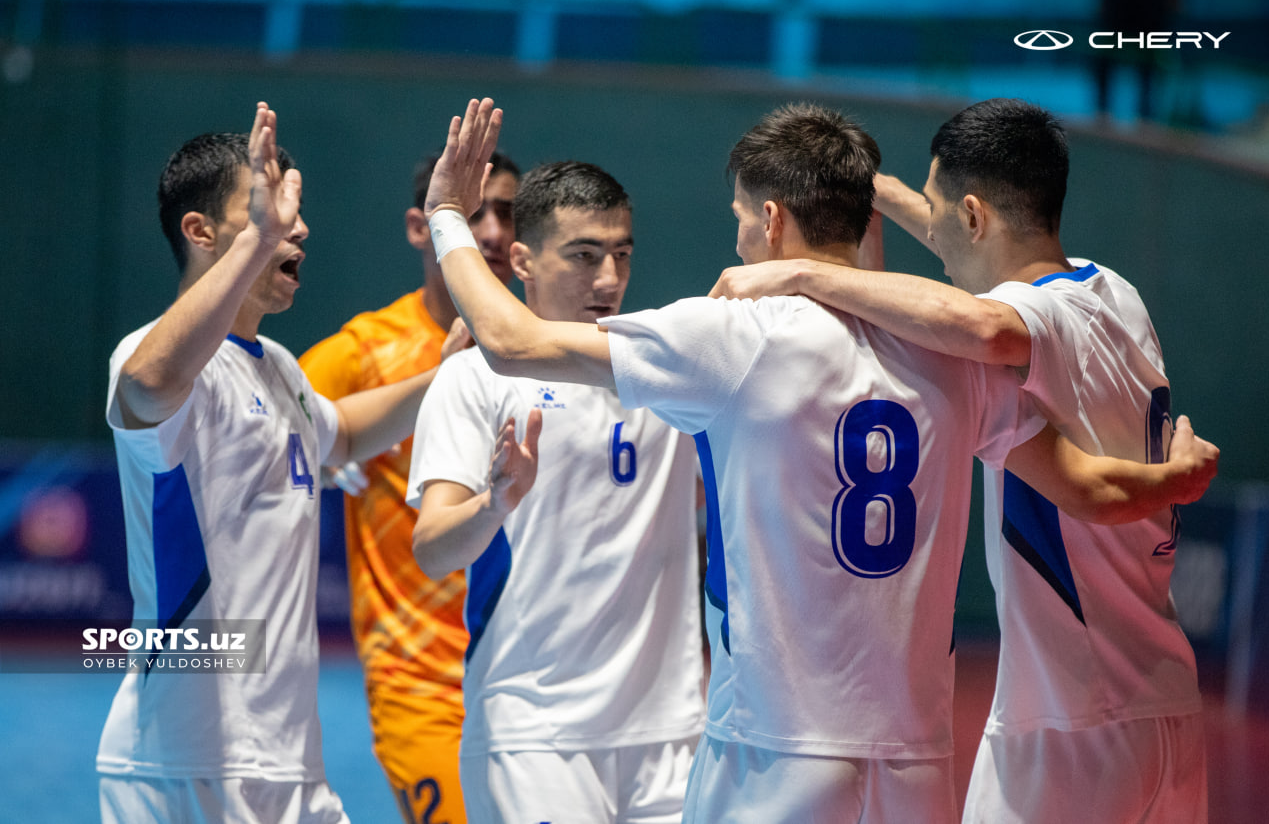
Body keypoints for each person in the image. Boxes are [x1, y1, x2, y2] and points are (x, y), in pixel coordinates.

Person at [419, 98, 1214, 822]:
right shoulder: (959, 360)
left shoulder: (732, 333)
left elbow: (511, 339)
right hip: (916, 763)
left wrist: (449, 215)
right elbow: (1082, 484)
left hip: (773, 751)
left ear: (769, 221)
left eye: (739, 217)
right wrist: (1174, 481)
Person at [710, 97, 1212, 822]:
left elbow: (979, 321)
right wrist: (862, 191)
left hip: (1073, 714)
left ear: (976, 216)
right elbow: (964, 254)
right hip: (1165, 697)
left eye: (941, 214)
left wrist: (798, 274)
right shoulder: (1114, 292)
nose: (933, 235)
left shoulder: (1027, 321)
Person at [97, 103, 450, 824]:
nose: (298, 224)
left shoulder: (281, 368)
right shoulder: (154, 358)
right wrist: (255, 244)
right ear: (201, 232)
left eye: (294, 206)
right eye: (270, 205)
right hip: (189, 764)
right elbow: (146, 386)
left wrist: (451, 375)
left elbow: (343, 435)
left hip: (289, 767)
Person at [406, 160, 706, 823]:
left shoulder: (664, 363)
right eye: (584, 255)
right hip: (534, 739)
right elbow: (431, 549)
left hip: (673, 738)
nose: (609, 279)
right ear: (522, 259)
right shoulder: (474, 380)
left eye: (621, 255)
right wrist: (497, 501)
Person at [298, 150, 519, 824]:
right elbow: (269, 423)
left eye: (506, 212)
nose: (490, 232)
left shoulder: (543, 344)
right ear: (421, 227)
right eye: (472, 212)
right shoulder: (365, 352)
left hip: (532, 675)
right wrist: (329, 450)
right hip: (418, 682)